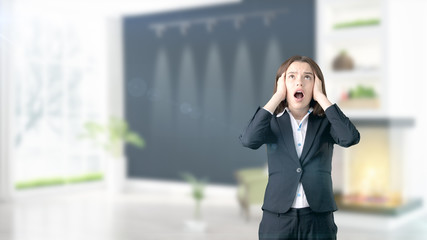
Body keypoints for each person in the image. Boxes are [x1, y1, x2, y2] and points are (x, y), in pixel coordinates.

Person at [239, 55, 360, 240]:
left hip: (318, 218)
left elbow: (350, 138)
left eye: (307, 77)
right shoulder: (271, 122)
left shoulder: (327, 123)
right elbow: (249, 140)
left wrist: (321, 97)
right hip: (277, 219)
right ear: (282, 84)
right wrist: (277, 96)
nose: (299, 83)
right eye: (292, 76)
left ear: (316, 84)